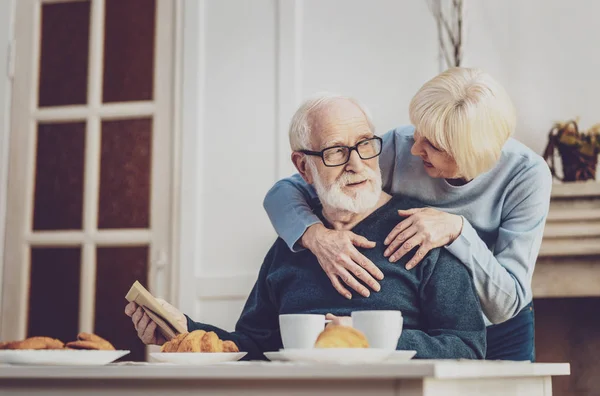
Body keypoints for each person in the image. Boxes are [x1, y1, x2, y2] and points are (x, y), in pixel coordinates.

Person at [126, 94, 486, 360]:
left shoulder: (422, 231)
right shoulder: (290, 246)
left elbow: (468, 346)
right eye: (335, 151)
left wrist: (367, 339)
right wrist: (183, 329)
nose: (356, 164)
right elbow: (253, 344)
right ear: (303, 167)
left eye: (365, 145)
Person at [263, 68, 552, 362]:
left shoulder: (526, 175)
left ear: (468, 155)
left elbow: (506, 303)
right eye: (418, 132)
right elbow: (284, 192)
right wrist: (317, 236)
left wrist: (458, 231)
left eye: (433, 146)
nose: (415, 148)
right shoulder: (399, 147)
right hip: (432, 323)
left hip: (498, 325)